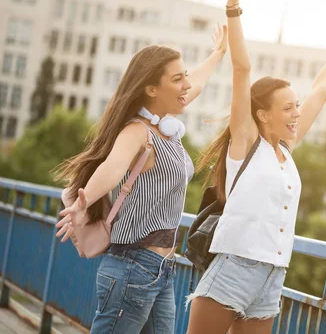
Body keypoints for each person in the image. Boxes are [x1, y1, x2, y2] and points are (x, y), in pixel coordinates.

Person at [186, 0, 326, 334]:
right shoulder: (246, 143)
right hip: (235, 266)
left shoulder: (284, 152)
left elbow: (321, 90)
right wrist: (233, 9)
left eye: (296, 107)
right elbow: (242, 68)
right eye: (287, 107)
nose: (296, 113)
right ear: (262, 114)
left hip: (273, 274)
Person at [53, 24, 228, 334]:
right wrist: (85, 201)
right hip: (133, 266)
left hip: (161, 270)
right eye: (177, 79)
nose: (186, 84)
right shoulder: (138, 132)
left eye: (185, 75)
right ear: (151, 89)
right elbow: (112, 166)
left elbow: (196, 83)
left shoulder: (168, 128)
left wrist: (219, 53)